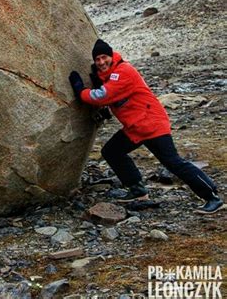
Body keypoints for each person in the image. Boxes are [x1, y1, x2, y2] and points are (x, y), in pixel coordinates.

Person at [69, 39, 223, 214]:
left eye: (104, 57)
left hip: (151, 124)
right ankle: (137, 190)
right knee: (111, 151)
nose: (101, 62)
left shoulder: (123, 71)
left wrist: (81, 91)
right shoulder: (111, 74)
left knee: (174, 163)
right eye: (97, 59)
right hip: (136, 127)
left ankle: (212, 197)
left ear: (112, 56)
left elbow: (103, 95)